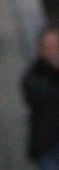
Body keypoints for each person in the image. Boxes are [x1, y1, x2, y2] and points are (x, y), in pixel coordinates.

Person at [23, 26, 59, 169]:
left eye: (56, 45)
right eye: (48, 46)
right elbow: (41, 95)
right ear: (41, 50)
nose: (54, 51)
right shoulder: (32, 76)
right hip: (48, 145)